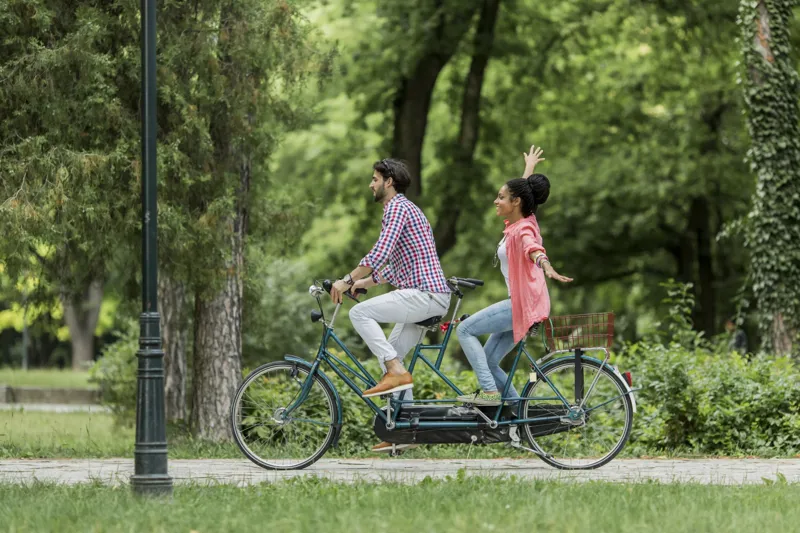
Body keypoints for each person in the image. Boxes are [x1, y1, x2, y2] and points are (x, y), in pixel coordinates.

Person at [329, 158, 451, 451]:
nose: (370, 184)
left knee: (360, 313)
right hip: (429, 296)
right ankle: (406, 432)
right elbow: (392, 267)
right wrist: (362, 283)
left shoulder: (397, 208)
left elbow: (380, 252)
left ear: (389, 181)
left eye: (374, 179)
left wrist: (346, 279)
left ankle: (394, 371)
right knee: (393, 353)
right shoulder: (404, 209)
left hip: (424, 294)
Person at [456, 146, 572, 406]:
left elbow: (533, 248)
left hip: (521, 305)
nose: (496, 201)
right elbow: (522, 192)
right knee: (488, 360)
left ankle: (489, 393)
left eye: (501, 197)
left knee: (465, 330)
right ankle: (521, 415)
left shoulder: (523, 230)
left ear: (515, 202)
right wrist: (529, 168)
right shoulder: (526, 218)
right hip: (528, 305)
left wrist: (546, 264)